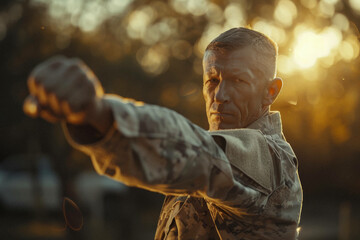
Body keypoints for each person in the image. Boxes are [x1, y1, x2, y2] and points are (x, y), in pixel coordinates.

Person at [24, 27, 302, 239]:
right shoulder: (212, 146)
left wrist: (100, 114)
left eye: (239, 81)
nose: (220, 95)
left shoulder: (271, 160)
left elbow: (201, 153)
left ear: (270, 92)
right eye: (212, 80)